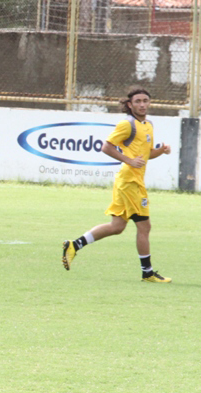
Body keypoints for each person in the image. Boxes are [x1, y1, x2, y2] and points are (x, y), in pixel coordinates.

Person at [62, 86, 172, 282]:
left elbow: (146, 155)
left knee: (117, 226)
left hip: (129, 181)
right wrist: (128, 160)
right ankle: (147, 273)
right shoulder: (127, 124)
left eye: (145, 101)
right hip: (130, 182)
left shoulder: (148, 125)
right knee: (144, 227)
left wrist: (161, 150)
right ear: (130, 105)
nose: (142, 104)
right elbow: (106, 147)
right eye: (137, 101)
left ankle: (74, 245)